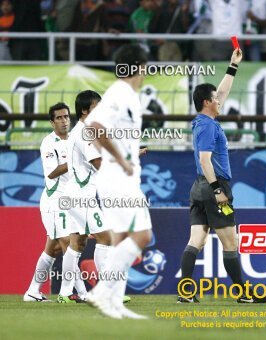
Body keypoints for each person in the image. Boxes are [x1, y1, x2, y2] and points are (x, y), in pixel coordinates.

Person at [177, 48, 266, 304]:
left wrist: (233, 66)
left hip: (198, 187)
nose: (220, 100)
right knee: (230, 243)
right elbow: (206, 160)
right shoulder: (207, 126)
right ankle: (244, 295)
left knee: (196, 239)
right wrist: (218, 189)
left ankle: (186, 293)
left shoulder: (202, 121)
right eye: (215, 98)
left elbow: (223, 91)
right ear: (207, 102)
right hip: (213, 186)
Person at [85, 44, 152, 319]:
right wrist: (121, 160)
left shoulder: (130, 96)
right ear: (138, 66)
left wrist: (123, 156)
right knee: (143, 235)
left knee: (121, 239)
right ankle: (101, 291)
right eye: (145, 67)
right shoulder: (120, 92)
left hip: (120, 177)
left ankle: (114, 303)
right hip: (117, 177)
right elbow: (94, 126)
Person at [57, 91, 117, 303]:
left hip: (74, 194)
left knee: (78, 243)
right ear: (85, 110)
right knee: (105, 237)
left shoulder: (80, 131)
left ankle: (64, 293)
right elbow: (98, 163)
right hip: (81, 196)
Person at [23, 103, 87, 302]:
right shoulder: (48, 143)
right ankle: (83, 294)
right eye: (58, 118)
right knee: (69, 245)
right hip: (54, 200)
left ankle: (33, 291)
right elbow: (52, 172)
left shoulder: (76, 139)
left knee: (53, 249)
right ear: (52, 122)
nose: (64, 120)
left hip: (71, 200)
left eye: (66, 116)